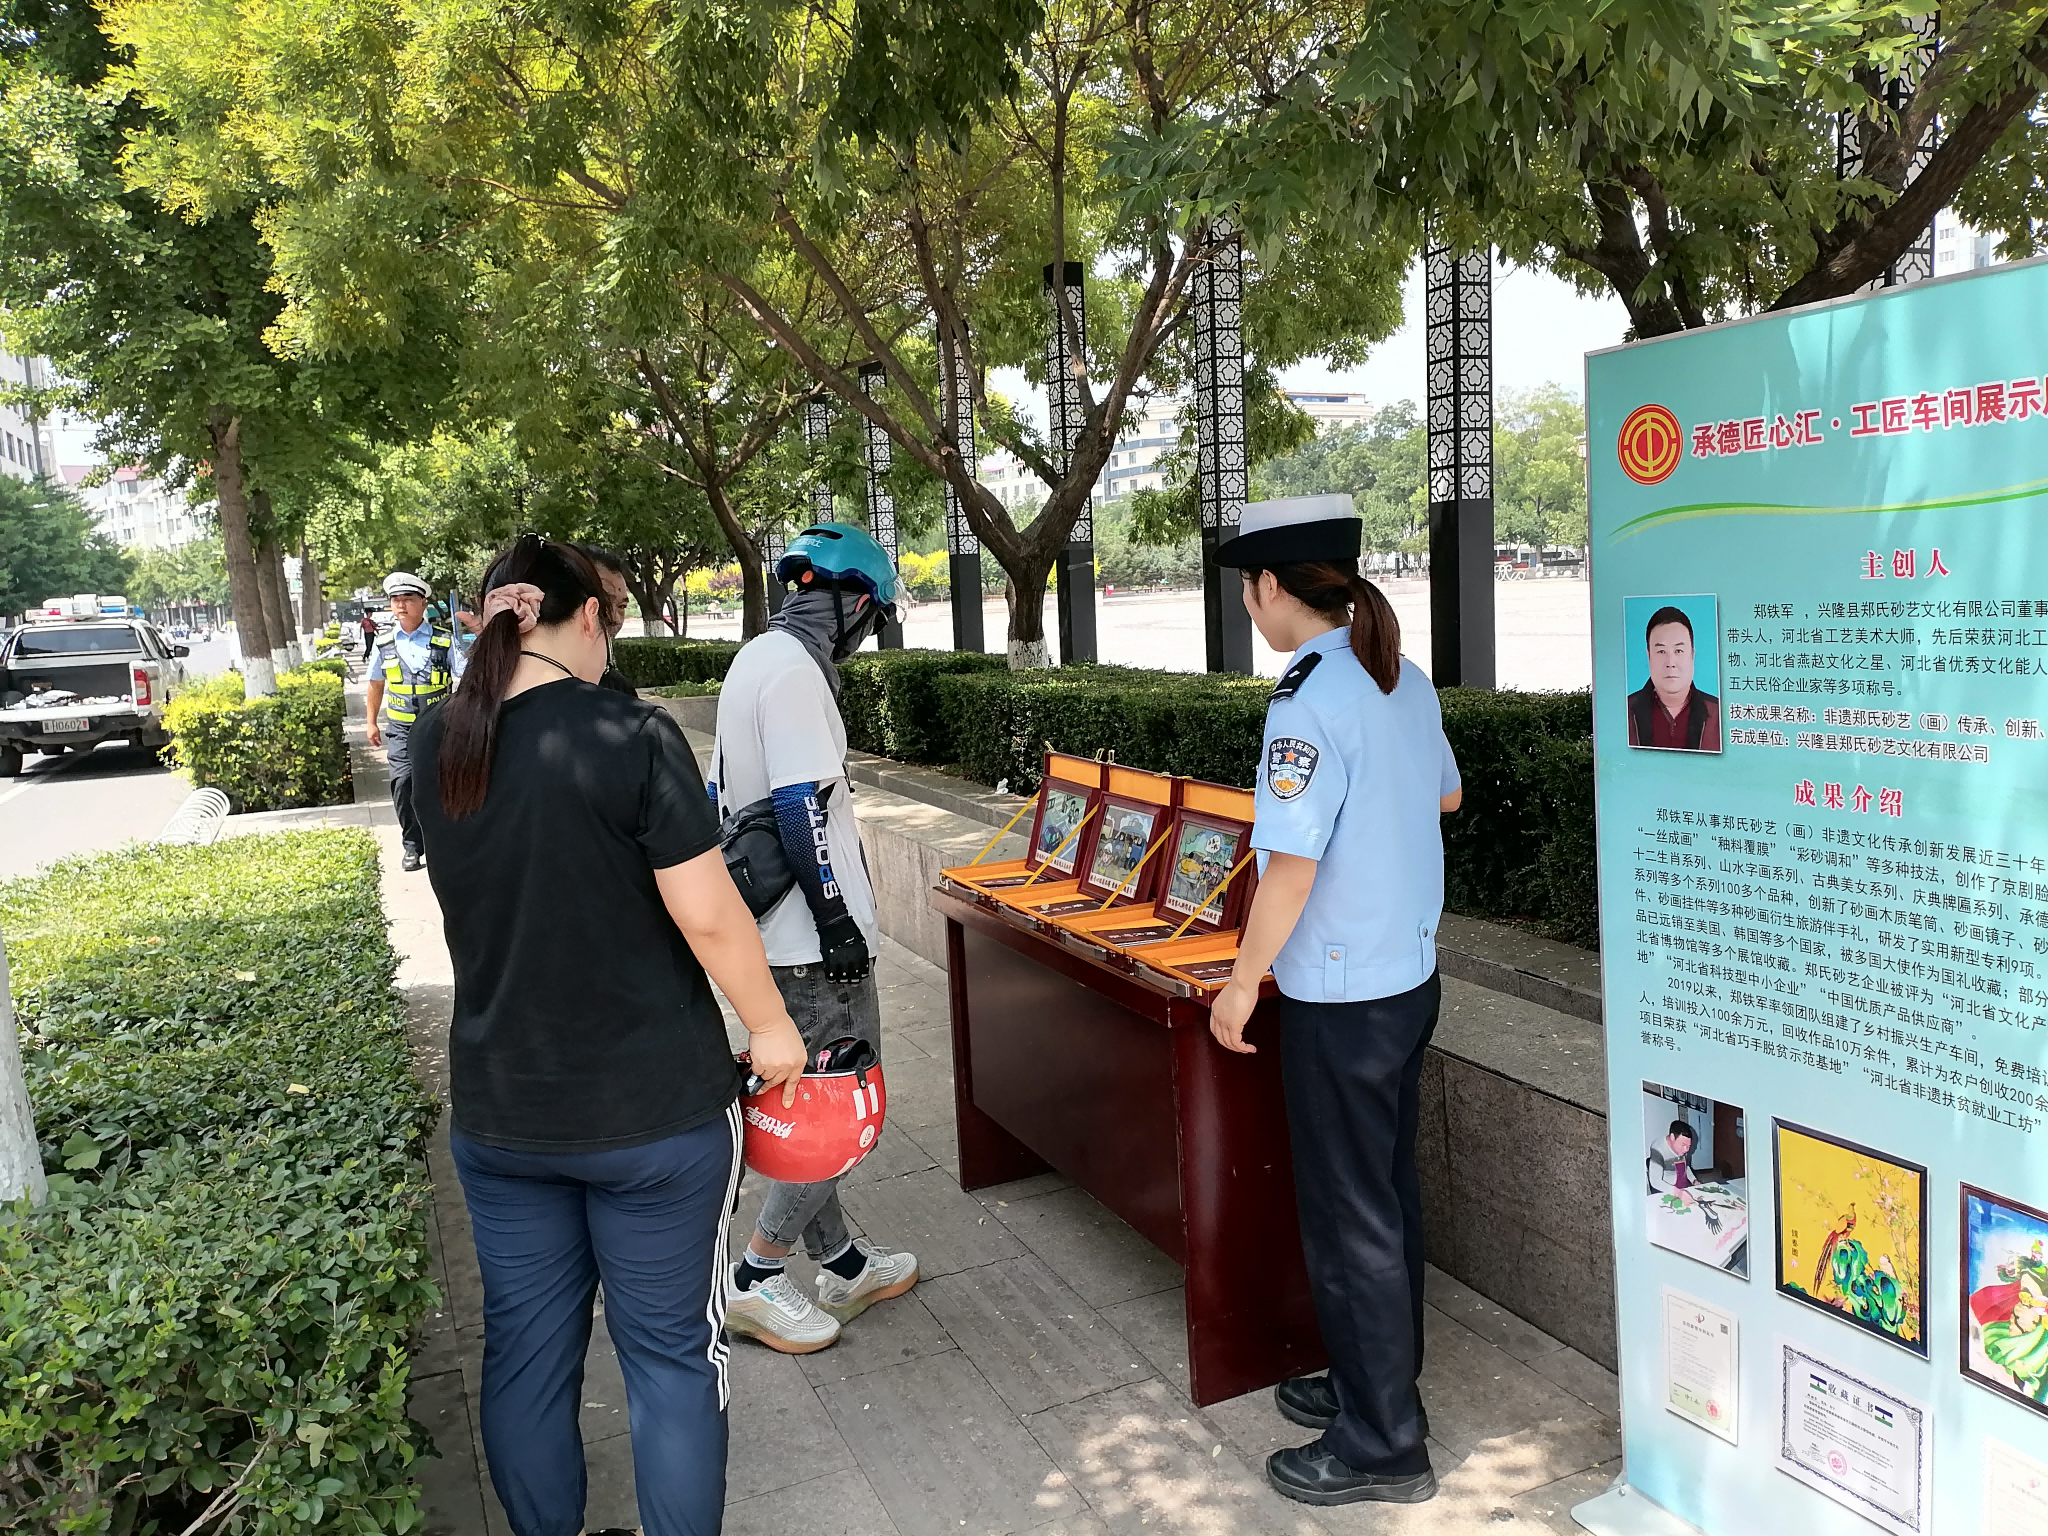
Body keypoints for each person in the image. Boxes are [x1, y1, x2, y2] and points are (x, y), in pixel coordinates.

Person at [410, 535, 809, 1536]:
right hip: (654, 1117)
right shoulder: (629, 734)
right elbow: (707, 913)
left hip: (503, 1116)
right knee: (672, 1358)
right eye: (612, 620)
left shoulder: (438, 739)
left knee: (523, 1356)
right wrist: (771, 1026)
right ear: (585, 616)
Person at [1207, 493, 1463, 1508]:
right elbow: (1446, 794)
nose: (1249, 608)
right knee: (1385, 1196)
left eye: (1248, 590)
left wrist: (1240, 982)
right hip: (1406, 979)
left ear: (1272, 587)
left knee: (1349, 1216)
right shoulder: (1398, 675)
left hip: (1342, 998)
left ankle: (1383, 1442)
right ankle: (1376, 1385)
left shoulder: (1307, 699)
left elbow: (1291, 866)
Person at [711, 523, 919, 1354]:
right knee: (841, 1109)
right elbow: (800, 806)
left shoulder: (755, 658)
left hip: (770, 934)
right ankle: (757, 1275)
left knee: (807, 1103)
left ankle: (842, 1263)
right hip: (809, 942)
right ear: (857, 605)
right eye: (873, 618)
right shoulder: (799, 674)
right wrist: (836, 926)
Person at [365, 572, 467, 872]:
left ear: (423, 603)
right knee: (403, 783)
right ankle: (412, 844)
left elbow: (466, 676)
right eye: (396, 600)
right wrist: (371, 722)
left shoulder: (444, 640)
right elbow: (375, 684)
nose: (401, 605)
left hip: (438, 728)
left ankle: (443, 841)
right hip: (400, 730)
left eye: (408, 599)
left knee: (440, 786)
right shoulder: (384, 643)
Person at [1626, 605, 1720, 751]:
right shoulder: (1624, 711)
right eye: (1661, 651)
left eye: (1678, 651)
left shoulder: (1719, 713)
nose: (1670, 663)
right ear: (1649, 655)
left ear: (1692, 654)